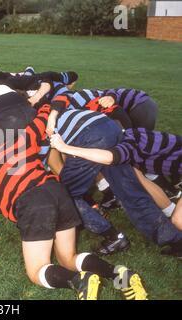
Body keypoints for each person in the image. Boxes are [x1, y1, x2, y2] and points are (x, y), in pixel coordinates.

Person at [0, 110, 147, 300]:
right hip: (58, 192)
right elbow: (38, 125)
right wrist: (46, 111)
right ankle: (120, 276)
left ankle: (79, 281)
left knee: (36, 270)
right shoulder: (12, 146)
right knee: (68, 258)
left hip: (33, 204)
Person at [44, 96, 182, 257]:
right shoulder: (47, 103)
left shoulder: (129, 146)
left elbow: (110, 157)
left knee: (64, 195)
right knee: (130, 192)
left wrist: (65, 148)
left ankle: (112, 236)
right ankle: (174, 240)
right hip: (107, 127)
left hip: (92, 137)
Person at [50, 128, 182, 238]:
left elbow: (109, 157)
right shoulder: (122, 137)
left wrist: (65, 147)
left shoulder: (129, 143)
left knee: (178, 221)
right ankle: (170, 211)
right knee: (138, 177)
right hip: (164, 163)